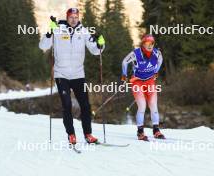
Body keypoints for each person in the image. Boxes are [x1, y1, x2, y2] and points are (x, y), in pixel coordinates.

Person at [39, 8, 105, 144]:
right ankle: (71, 134)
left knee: (85, 105)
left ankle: (88, 134)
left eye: (76, 17)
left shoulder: (84, 31)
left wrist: (100, 44)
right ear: (67, 17)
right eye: (71, 17)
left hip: (78, 74)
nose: (74, 19)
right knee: (67, 105)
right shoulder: (57, 29)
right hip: (61, 74)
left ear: (78, 18)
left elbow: (95, 51)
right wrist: (49, 32)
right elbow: (43, 46)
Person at [121, 34, 165, 141]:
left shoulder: (157, 53)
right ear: (143, 44)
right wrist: (124, 76)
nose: (150, 46)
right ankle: (140, 132)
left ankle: (156, 130)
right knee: (142, 106)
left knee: (153, 105)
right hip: (137, 82)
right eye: (147, 43)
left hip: (150, 81)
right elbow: (124, 62)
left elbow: (160, 61)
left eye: (152, 43)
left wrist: (156, 72)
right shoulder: (136, 53)